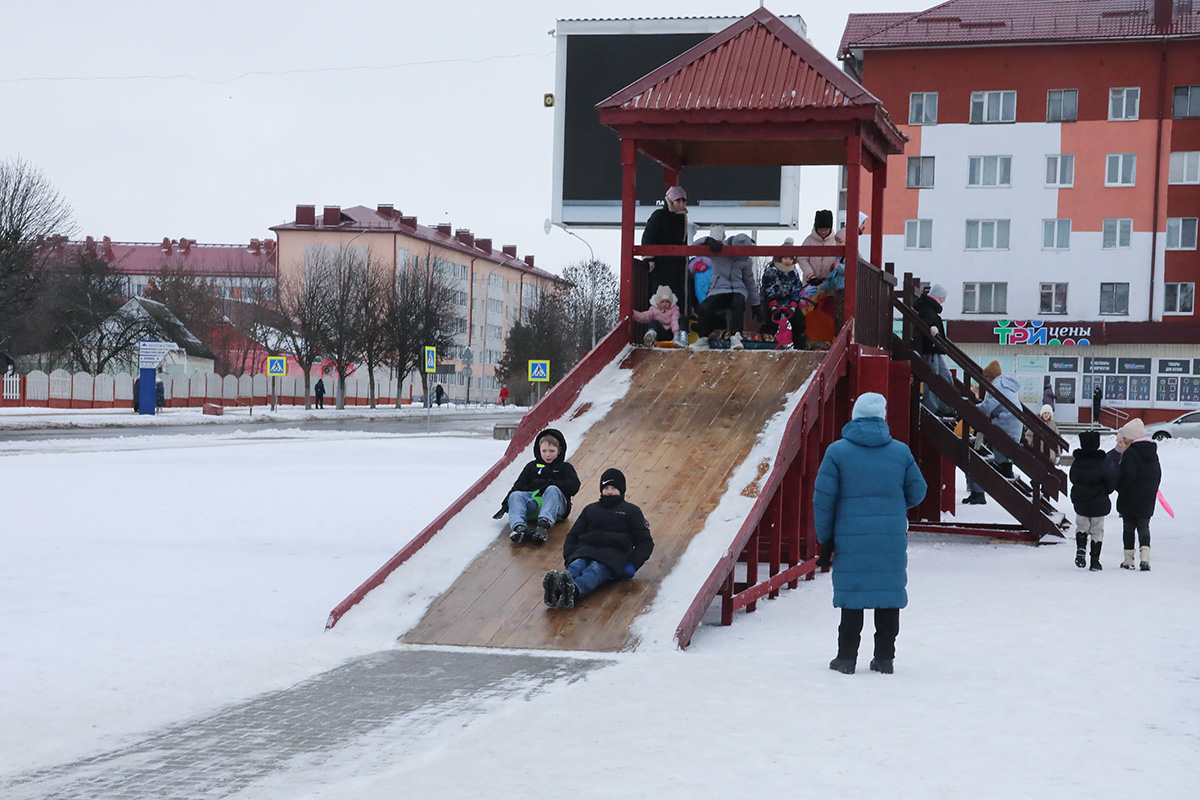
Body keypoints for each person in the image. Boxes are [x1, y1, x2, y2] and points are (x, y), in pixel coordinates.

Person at [814, 392, 927, 675]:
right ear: (882, 418)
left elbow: (823, 500)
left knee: (853, 595)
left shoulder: (837, 452)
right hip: (889, 537)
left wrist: (825, 539)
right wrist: (892, 505)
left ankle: (846, 658)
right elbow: (919, 490)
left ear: (855, 417)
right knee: (888, 595)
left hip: (850, 536)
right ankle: (885, 659)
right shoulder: (900, 452)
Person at [543, 468, 654, 610]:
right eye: (606, 488)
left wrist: (632, 564)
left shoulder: (631, 511)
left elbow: (645, 542)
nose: (609, 491)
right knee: (576, 565)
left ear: (621, 490)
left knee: (595, 570)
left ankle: (573, 591)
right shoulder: (591, 509)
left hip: (612, 556)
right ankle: (556, 591)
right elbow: (573, 535)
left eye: (613, 488)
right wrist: (569, 556)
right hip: (585, 550)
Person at [494, 428, 581, 544]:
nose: (547, 455)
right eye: (544, 451)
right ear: (538, 450)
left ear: (559, 451)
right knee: (516, 495)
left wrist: (551, 485)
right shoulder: (531, 466)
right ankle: (520, 528)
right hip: (535, 504)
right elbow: (518, 485)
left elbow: (574, 485)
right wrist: (506, 504)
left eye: (551, 451)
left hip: (556, 507)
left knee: (552, 489)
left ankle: (542, 527)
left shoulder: (564, 467)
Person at [689, 227, 761, 351]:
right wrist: (708, 241)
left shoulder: (746, 261)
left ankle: (736, 336)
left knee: (738, 303)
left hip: (738, 289)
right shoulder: (719, 251)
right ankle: (703, 338)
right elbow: (694, 246)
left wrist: (756, 304)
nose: (742, 256)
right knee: (704, 307)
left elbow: (749, 281)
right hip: (719, 289)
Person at [963, 360, 1023, 504]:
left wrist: (973, 408)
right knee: (1001, 445)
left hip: (1005, 421)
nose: (985, 380)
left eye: (986, 377)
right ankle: (1005, 466)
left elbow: (989, 405)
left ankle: (1005, 468)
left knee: (1000, 444)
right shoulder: (1004, 384)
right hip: (1011, 421)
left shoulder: (998, 386)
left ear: (991, 377)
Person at [1114, 418, 1162, 571]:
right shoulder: (1152, 453)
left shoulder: (1131, 453)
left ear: (1132, 438)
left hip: (1130, 497)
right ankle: (1145, 559)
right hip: (1147, 498)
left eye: (1126, 437)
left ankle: (1128, 560)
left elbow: (1128, 476)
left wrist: (1119, 488)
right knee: (1144, 527)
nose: (1124, 440)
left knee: (1128, 528)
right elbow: (1158, 474)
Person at [1069, 430, 1120, 571]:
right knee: (1097, 530)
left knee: (1082, 526)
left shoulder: (1078, 462)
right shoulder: (1103, 462)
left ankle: (1080, 549)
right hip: (1099, 502)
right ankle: (1095, 561)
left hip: (1081, 500)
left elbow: (1072, 478)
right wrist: (1104, 491)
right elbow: (1110, 481)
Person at [641, 185, 689, 311]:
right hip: (661, 265)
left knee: (678, 295)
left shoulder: (683, 219)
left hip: (678, 265)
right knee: (662, 294)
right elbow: (648, 236)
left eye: (684, 201)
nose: (682, 204)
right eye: (678, 200)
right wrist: (648, 259)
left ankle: (678, 325)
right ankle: (658, 326)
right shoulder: (659, 215)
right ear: (670, 201)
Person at [914, 283, 955, 418]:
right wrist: (931, 329)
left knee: (945, 377)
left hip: (934, 349)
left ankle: (946, 406)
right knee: (932, 378)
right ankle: (931, 408)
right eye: (943, 297)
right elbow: (923, 325)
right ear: (938, 297)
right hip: (930, 349)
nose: (943, 300)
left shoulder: (929, 309)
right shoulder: (927, 310)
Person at [760, 237, 808, 350]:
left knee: (799, 321)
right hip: (774, 302)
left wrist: (793, 304)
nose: (788, 261)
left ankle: (800, 346)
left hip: (789, 302)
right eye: (785, 258)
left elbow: (797, 288)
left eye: (791, 259)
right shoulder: (772, 270)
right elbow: (768, 287)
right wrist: (772, 303)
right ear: (780, 258)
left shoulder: (794, 272)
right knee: (770, 323)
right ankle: (766, 344)